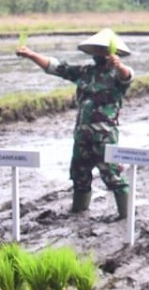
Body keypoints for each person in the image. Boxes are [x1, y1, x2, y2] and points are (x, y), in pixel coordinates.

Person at [17, 28, 134, 219]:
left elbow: (127, 76)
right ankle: (79, 214)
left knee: (113, 177)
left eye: (104, 50)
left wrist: (119, 65)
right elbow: (56, 67)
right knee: (79, 175)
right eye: (97, 50)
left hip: (104, 138)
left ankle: (126, 217)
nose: (99, 54)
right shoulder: (85, 72)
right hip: (82, 136)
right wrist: (31, 54)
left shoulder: (117, 75)